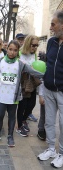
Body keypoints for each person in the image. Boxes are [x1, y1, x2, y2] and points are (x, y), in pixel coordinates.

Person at [37, 10, 63, 168]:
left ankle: (62, 153)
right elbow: (48, 64)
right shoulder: (51, 42)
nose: (51, 27)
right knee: (49, 121)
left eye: (53, 24)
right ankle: (51, 149)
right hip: (48, 88)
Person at [16, 35, 40, 137]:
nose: (35, 47)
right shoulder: (20, 53)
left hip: (32, 82)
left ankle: (24, 120)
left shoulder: (34, 54)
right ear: (27, 44)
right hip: (22, 82)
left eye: (37, 45)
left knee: (32, 104)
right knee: (22, 105)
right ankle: (19, 126)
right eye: (33, 45)